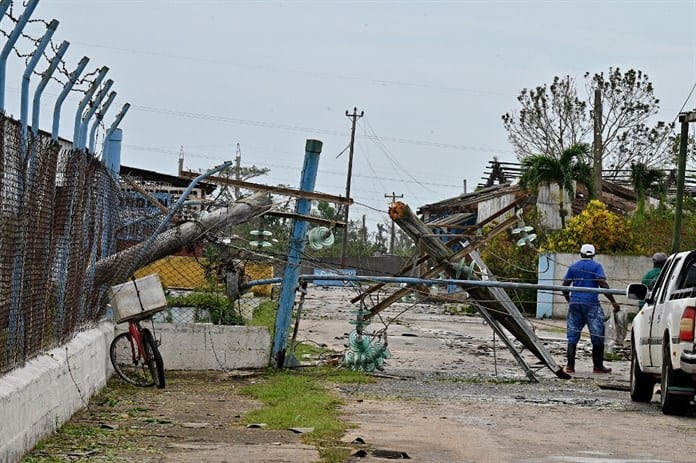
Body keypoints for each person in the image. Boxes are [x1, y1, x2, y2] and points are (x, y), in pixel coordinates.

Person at [562, 244, 621, 374]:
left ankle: (570, 366)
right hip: (591, 305)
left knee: (572, 335)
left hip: (575, 304)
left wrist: (569, 299)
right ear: (593, 255)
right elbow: (603, 283)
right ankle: (598, 366)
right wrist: (613, 302)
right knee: (597, 335)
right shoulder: (597, 266)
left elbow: (565, 285)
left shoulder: (573, 267)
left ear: (581, 254)